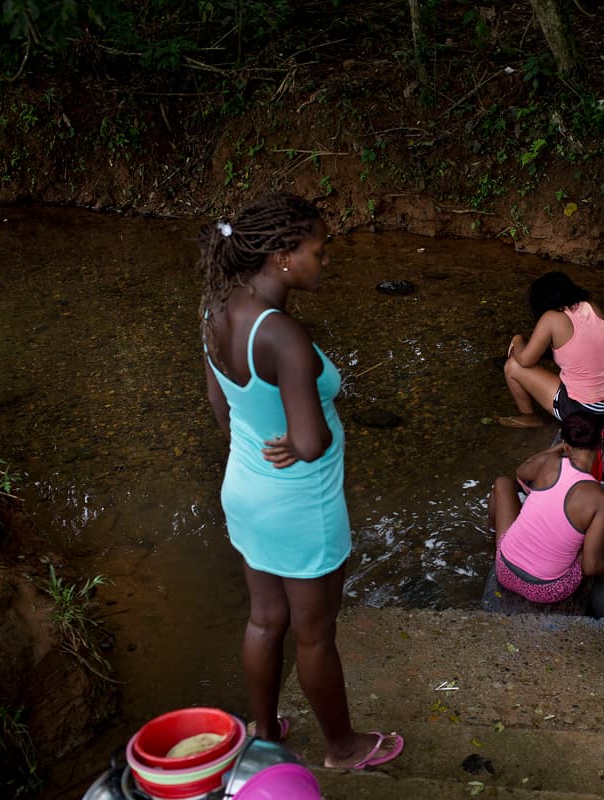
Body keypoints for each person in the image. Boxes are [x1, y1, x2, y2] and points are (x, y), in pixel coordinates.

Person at [198, 192, 403, 769]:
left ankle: (266, 734)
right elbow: (312, 443)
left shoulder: (214, 307)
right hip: (300, 506)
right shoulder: (283, 335)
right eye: (319, 249)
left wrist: (272, 434)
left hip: (244, 489)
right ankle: (342, 747)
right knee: (315, 635)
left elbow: (221, 407)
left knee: (265, 619)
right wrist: (303, 436)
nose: (325, 260)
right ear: (283, 256)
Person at [488, 412, 604, 603]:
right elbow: (591, 566)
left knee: (503, 483)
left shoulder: (549, 463)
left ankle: (491, 533)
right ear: (600, 445)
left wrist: (561, 447)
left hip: (504, 569)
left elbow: (522, 471)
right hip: (546, 590)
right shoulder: (599, 499)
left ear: (566, 445)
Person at [498, 270, 604, 428]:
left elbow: (525, 360)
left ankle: (529, 417)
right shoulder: (591, 307)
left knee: (512, 366)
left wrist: (517, 340)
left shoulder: (551, 318)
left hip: (585, 410)